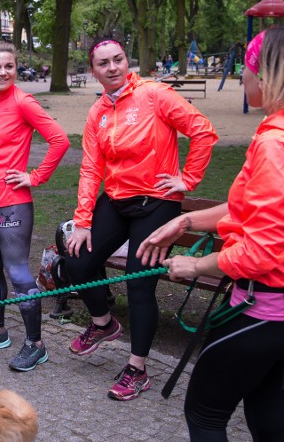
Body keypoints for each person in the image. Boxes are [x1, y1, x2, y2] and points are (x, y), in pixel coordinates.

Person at [137, 25, 284, 440]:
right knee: (268, 418)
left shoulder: (279, 145)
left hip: (270, 311)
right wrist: (187, 220)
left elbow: (259, 253)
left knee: (205, 414)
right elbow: (265, 208)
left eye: (246, 69)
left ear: (264, 77)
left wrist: (195, 265)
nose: (244, 79)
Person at [65, 37, 218, 401]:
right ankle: (103, 324)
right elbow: (90, 168)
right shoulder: (96, 112)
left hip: (158, 203)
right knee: (78, 262)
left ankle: (138, 368)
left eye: (118, 59)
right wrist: (83, 219)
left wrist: (188, 179)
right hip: (117, 199)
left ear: (127, 61)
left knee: (138, 284)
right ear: (94, 71)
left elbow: (202, 131)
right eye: (104, 63)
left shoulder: (155, 94)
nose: (113, 67)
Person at [0, 41, 69, 371]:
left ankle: (35, 344)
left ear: (15, 68)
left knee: (19, 273)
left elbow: (60, 140)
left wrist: (35, 177)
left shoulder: (24, 102)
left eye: (9, 66)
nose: (3, 72)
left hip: (12, 203)